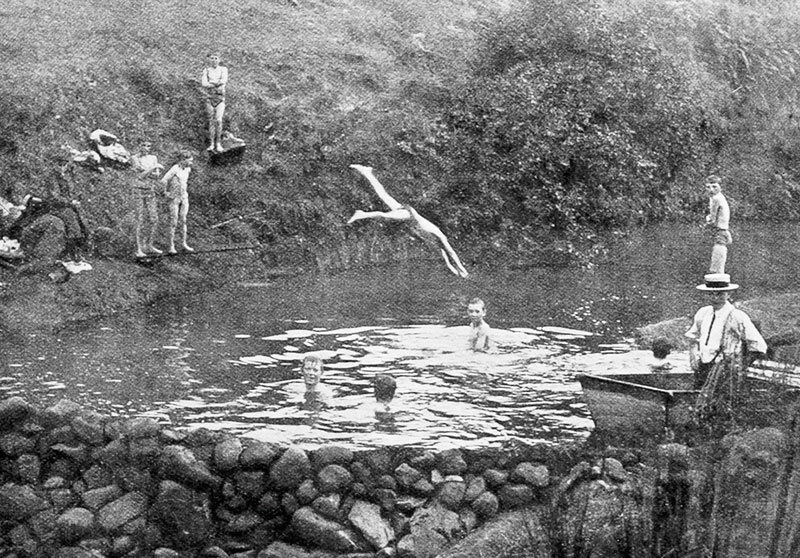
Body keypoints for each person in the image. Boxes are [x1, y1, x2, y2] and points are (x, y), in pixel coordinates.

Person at [347, 164, 469, 278]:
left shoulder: (434, 244)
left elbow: (446, 262)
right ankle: (362, 214)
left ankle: (367, 172)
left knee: (383, 195)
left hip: (407, 215)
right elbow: (451, 253)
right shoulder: (440, 237)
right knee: (384, 215)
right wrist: (463, 270)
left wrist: (458, 273)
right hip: (409, 215)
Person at [685, 273, 767, 391]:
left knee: (720, 404)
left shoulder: (737, 316)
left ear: (729, 294)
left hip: (725, 372)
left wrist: (739, 366)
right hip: (703, 369)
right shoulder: (703, 313)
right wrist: (693, 357)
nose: (715, 297)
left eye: (720, 294)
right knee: (698, 402)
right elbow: (692, 337)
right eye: (711, 294)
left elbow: (758, 346)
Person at [130, 141, 164, 257]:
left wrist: (147, 171)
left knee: (154, 218)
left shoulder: (153, 157)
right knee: (140, 219)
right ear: (139, 146)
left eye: (148, 145)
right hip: (138, 190)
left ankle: (149, 244)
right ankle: (139, 249)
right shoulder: (134, 158)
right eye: (143, 145)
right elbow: (140, 176)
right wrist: (153, 168)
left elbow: (157, 176)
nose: (146, 148)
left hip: (150, 189)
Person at [160, 150, 194, 254]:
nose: (191, 163)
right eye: (190, 160)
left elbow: (184, 183)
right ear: (183, 160)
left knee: (183, 220)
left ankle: (184, 243)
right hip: (174, 198)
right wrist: (166, 192)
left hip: (184, 197)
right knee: (173, 222)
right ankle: (171, 246)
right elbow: (164, 180)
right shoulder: (175, 168)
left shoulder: (188, 169)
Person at [704, 175, 732, 274]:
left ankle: (717, 273)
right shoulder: (718, 197)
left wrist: (707, 220)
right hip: (723, 229)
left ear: (721, 187)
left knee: (718, 249)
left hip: (721, 229)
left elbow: (713, 219)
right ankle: (718, 272)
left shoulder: (716, 199)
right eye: (708, 187)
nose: (711, 190)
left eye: (714, 186)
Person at [201, 52, 228, 153]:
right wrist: (215, 84)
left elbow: (223, 81)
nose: (214, 60)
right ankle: (212, 143)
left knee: (219, 120)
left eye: (216, 58)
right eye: (212, 58)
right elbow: (204, 84)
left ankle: (218, 143)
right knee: (211, 121)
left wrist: (211, 83)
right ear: (209, 60)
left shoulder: (223, 69)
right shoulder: (206, 71)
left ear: (219, 59)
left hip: (220, 98)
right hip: (210, 98)